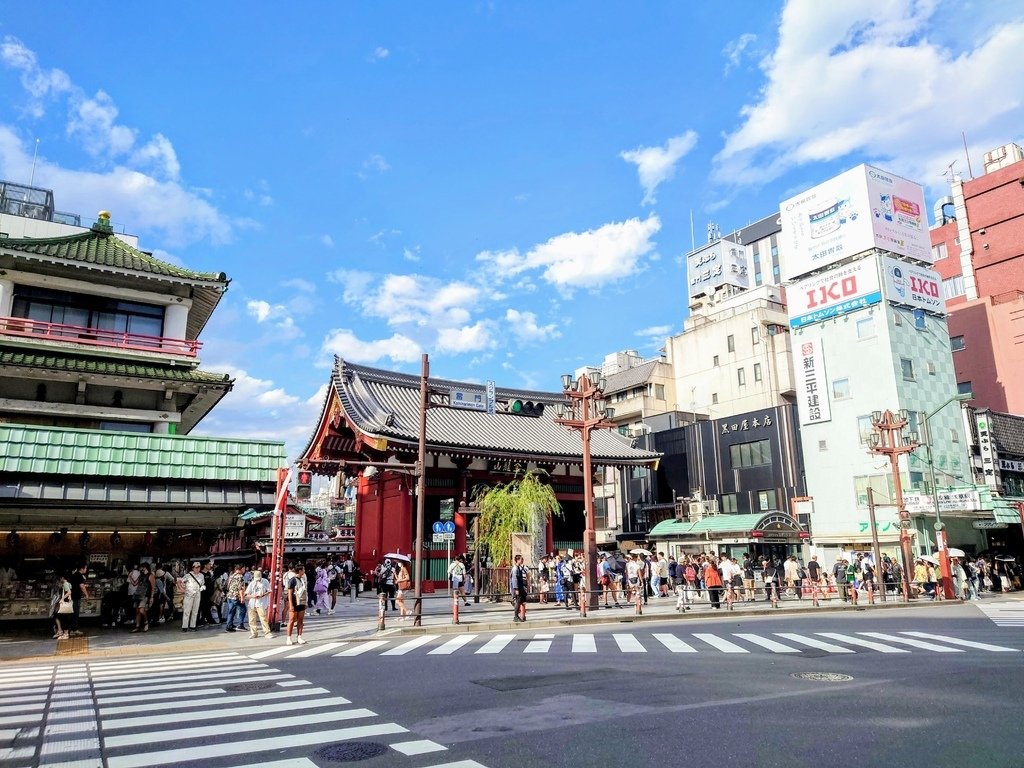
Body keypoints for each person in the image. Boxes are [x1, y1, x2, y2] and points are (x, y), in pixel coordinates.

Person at [245, 568, 274, 639]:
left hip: (261, 603)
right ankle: (254, 632)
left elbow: (269, 591)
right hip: (252, 603)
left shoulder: (265, 581)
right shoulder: (252, 583)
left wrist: (263, 595)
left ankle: (267, 632)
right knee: (251, 619)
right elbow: (246, 594)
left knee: (263, 618)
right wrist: (252, 596)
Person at [285, 563, 308, 645]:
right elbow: (290, 593)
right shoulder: (292, 580)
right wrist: (291, 605)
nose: (304, 571)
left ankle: (299, 636)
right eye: (303, 569)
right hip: (294, 602)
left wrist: (306, 602)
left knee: (300, 620)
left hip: (302, 602)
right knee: (291, 620)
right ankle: (288, 637)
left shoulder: (302, 579)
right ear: (300, 570)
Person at [181, 562, 206, 632]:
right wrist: (183, 589)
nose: (197, 569)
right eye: (196, 567)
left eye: (198, 567)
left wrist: (203, 587)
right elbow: (180, 581)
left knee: (195, 611)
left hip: (197, 594)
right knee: (187, 611)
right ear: (193, 568)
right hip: (189, 594)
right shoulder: (188, 575)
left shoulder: (201, 575)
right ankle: (185, 626)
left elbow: (203, 583)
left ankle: (193, 626)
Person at [131, 563, 155, 632]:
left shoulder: (150, 576)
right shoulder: (141, 575)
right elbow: (135, 583)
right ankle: (137, 626)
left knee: (141, 610)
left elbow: (153, 587)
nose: (140, 569)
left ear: (145, 567)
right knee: (137, 611)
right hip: (138, 594)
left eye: (141, 568)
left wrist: (152, 597)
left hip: (144, 595)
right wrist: (130, 577)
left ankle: (146, 622)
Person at [224, 563, 247, 632]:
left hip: (229, 596)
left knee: (231, 611)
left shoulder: (231, 576)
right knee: (243, 609)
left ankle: (229, 626)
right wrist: (242, 597)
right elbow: (240, 588)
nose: (244, 570)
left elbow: (227, 585)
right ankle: (240, 624)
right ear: (241, 568)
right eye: (244, 568)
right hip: (236, 596)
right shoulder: (240, 577)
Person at [68, 562, 89, 636]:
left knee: (73, 613)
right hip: (75, 597)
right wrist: (86, 594)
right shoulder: (79, 575)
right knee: (75, 614)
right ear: (81, 568)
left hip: (73, 597)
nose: (86, 569)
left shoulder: (74, 575)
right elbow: (82, 586)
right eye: (85, 568)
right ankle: (73, 630)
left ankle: (72, 629)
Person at [50, 572, 72, 640]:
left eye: (60, 578)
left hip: (64, 603)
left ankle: (64, 633)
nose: (60, 580)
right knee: (61, 617)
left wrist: (62, 599)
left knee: (61, 617)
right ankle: (61, 631)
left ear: (62, 578)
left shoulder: (65, 583)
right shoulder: (68, 584)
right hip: (66, 603)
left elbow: (69, 592)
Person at [509, 554, 530, 623]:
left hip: (520, 587)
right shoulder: (515, 568)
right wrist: (516, 589)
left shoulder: (519, 567)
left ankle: (520, 615)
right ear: (517, 560)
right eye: (521, 559)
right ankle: (516, 616)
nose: (522, 560)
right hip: (517, 587)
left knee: (521, 601)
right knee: (518, 602)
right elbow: (514, 579)